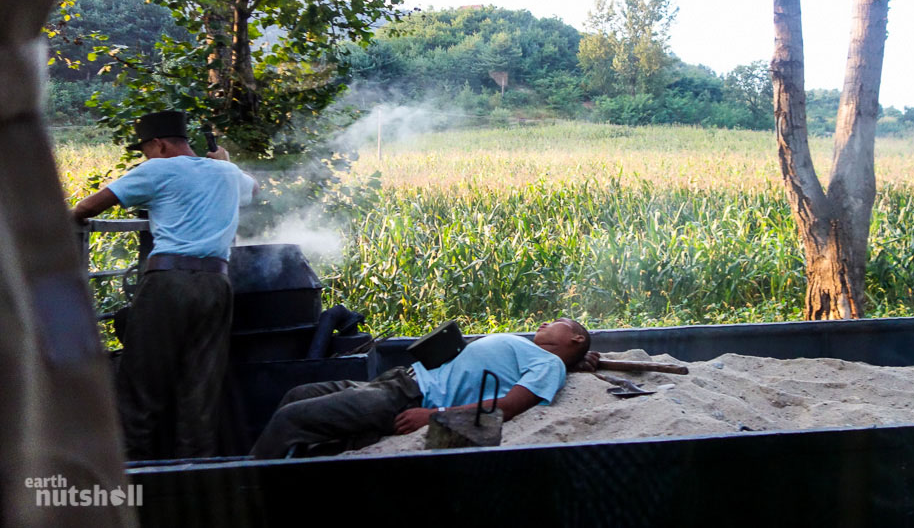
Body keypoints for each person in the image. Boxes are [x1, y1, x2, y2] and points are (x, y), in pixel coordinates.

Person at [72, 110, 257, 460]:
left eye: (144, 149)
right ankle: (194, 477)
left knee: (140, 384)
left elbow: (88, 207)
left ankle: (133, 477)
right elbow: (255, 188)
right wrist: (226, 160)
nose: (145, 156)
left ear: (158, 145)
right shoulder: (227, 172)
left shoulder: (157, 168)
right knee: (200, 390)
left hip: (169, 284)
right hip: (216, 285)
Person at [250, 318, 597, 459]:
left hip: (410, 397)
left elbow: (507, 406)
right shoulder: (536, 353)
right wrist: (581, 360)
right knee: (298, 396)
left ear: (575, 337)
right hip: (399, 379)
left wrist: (434, 417)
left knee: (291, 419)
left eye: (556, 323)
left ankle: (239, 493)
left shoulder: (549, 365)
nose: (543, 323)